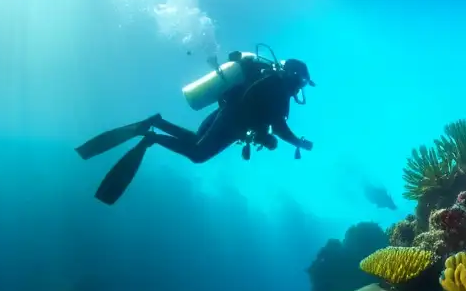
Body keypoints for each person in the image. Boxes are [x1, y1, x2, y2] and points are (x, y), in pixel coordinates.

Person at [76, 56, 315, 205]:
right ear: (294, 75)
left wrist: (268, 135)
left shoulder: (269, 81)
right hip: (233, 122)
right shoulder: (279, 89)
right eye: (303, 82)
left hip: (226, 114)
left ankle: (158, 123)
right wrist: (298, 143)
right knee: (198, 155)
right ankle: (153, 136)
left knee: (196, 142)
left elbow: (269, 121)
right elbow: (279, 126)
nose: (301, 87)